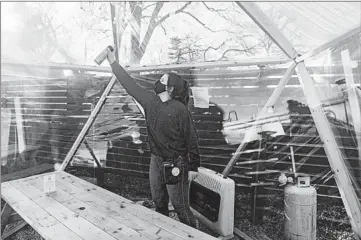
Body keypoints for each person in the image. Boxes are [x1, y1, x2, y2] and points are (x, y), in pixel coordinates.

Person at [105, 47, 200, 228]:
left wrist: (194, 166)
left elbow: (191, 139)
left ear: (170, 88)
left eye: (162, 80)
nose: (157, 81)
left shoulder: (181, 110)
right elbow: (129, 84)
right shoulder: (150, 101)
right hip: (156, 160)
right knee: (159, 202)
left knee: (180, 206)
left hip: (176, 163)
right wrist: (112, 62)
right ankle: (163, 233)